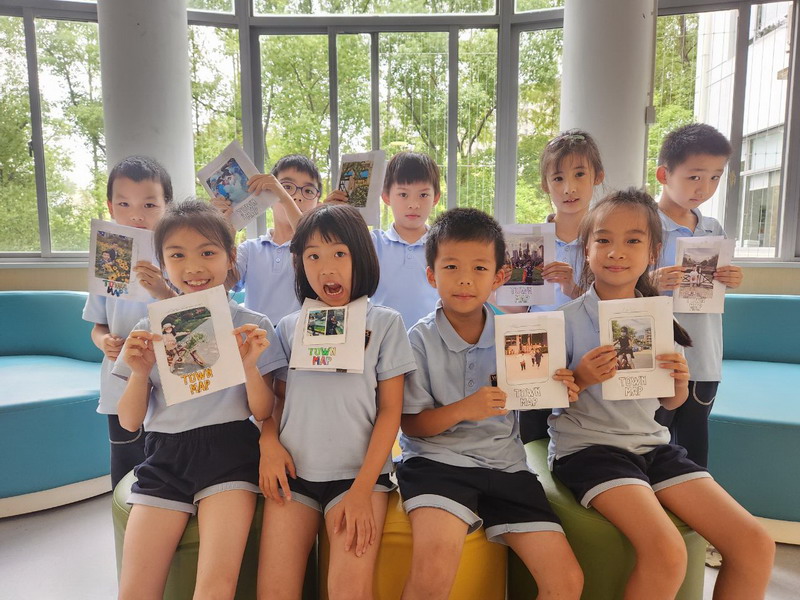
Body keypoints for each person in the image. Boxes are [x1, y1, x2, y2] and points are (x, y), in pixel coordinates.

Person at [550, 188, 773, 599]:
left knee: (755, 544)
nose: (617, 251)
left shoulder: (657, 317)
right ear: (586, 249)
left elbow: (670, 404)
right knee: (667, 553)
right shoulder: (563, 320)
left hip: (652, 445)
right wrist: (580, 377)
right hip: (589, 449)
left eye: (633, 240)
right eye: (603, 239)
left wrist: (678, 385)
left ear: (653, 252)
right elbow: (544, 401)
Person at [397, 208, 583, 600]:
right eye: (451, 267)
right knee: (433, 574)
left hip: (506, 465)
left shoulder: (517, 334)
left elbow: (537, 396)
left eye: (480, 268)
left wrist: (562, 387)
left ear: (499, 277)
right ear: (431, 275)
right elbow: (411, 425)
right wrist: (465, 408)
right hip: (437, 464)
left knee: (567, 581)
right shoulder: (417, 340)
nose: (465, 279)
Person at [113, 200, 285, 600]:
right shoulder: (149, 329)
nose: (193, 267)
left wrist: (249, 367)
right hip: (165, 457)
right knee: (134, 590)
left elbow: (263, 411)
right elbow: (129, 422)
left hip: (230, 453)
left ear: (230, 257)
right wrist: (139, 373)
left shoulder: (252, 325)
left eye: (207, 252)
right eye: (177, 255)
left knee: (215, 587)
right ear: (162, 264)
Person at [257, 204, 416, 600]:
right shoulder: (289, 327)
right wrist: (268, 442)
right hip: (294, 475)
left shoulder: (385, 323)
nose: (326, 268)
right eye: (313, 256)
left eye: (339, 253)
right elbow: (278, 401)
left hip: (357, 478)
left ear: (360, 256)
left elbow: (391, 411)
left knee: (348, 591)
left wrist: (363, 489)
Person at [504, 130, 606, 443]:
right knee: (532, 441)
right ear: (545, 184)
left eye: (579, 175)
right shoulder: (530, 241)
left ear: (598, 176)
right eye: (558, 178)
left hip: (587, 359)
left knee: (585, 441)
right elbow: (517, 309)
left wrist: (571, 287)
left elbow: (610, 308)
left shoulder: (605, 241)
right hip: (536, 355)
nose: (569, 188)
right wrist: (501, 284)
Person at [651, 124, 744, 468]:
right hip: (659, 354)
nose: (704, 188)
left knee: (694, 444)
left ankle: (692, 497)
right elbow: (620, 285)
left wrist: (732, 278)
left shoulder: (712, 228)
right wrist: (651, 280)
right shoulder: (643, 225)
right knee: (651, 441)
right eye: (694, 177)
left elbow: (717, 285)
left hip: (704, 354)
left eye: (715, 177)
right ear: (664, 174)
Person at [82, 155, 176, 489]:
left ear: (167, 206)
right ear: (110, 207)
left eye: (149, 204)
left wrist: (163, 289)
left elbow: (194, 316)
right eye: (124, 204)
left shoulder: (178, 257)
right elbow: (98, 326)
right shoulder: (108, 261)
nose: (136, 215)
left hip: (169, 385)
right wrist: (104, 342)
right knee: (126, 466)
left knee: (168, 466)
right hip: (120, 383)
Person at [327, 151, 441, 329]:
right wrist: (329, 215)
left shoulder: (444, 246)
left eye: (423, 195)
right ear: (386, 196)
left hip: (432, 338)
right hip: (381, 338)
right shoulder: (371, 243)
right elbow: (331, 254)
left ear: (436, 198)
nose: (414, 204)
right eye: (403, 194)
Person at [213, 154, 319, 324]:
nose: (297, 197)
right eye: (286, 187)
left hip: (300, 337)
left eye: (308, 191)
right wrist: (224, 231)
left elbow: (307, 239)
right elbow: (222, 285)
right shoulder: (250, 249)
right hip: (256, 337)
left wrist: (284, 198)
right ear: (268, 196)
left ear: (318, 202)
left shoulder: (316, 249)